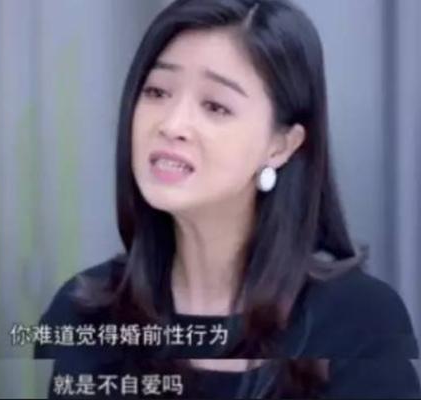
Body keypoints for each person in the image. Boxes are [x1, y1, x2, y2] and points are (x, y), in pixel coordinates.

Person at [34, 0, 421, 398]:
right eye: (157, 91)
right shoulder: (85, 315)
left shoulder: (357, 323)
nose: (172, 124)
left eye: (215, 106)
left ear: (281, 145)